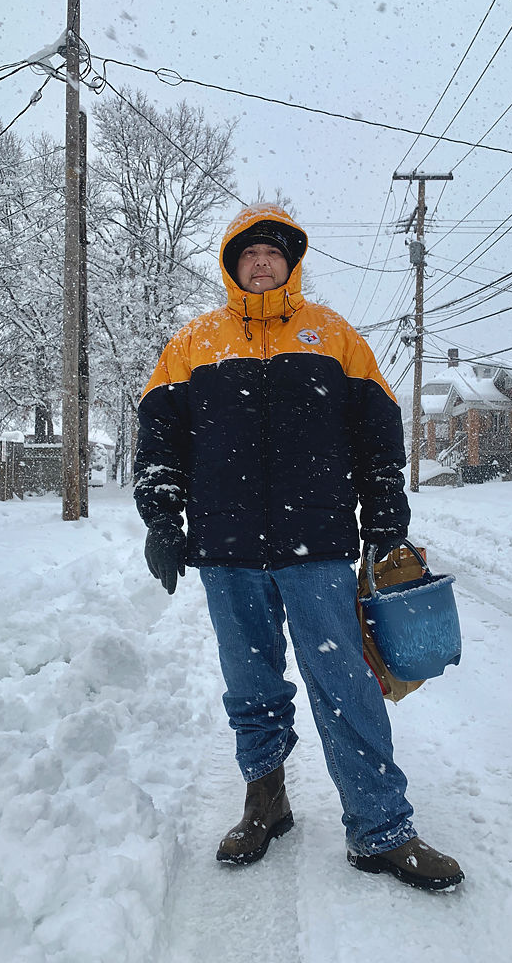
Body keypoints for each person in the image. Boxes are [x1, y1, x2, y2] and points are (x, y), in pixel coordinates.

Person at [134, 203, 464, 891]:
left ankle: (380, 830)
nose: (261, 262)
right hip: (225, 549)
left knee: (345, 687)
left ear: (291, 263)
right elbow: (162, 442)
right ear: (232, 264)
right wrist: (161, 517)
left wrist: (385, 516)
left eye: (273, 254)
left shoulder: (334, 337)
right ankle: (267, 803)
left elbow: (379, 436)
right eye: (248, 253)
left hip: (316, 545)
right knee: (250, 686)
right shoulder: (192, 343)